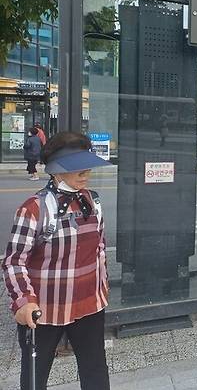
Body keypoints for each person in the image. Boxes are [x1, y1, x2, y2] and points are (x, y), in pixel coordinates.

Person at [2, 132, 112, 390]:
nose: (85, 172)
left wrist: (102, 286)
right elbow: (14, 261)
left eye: (86, 164)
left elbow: (100, 248)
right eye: (75, 167)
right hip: (45, 310)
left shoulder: (93, 201)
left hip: (90, 304)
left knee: (95, 368)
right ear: (56, 172)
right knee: (35, 373)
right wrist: (23, 301)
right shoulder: (34, 209)